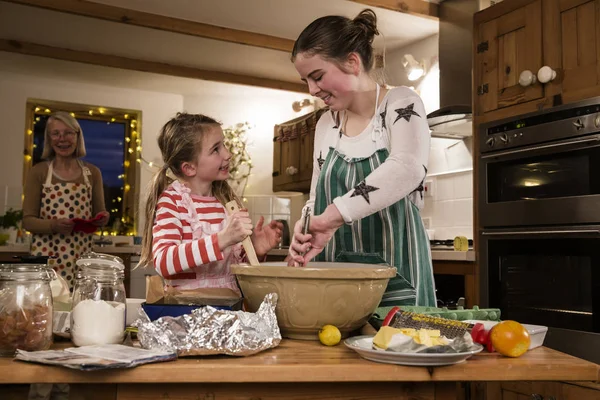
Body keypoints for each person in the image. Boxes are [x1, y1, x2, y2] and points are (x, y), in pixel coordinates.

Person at [287, 9, 436, 307]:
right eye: (306, 80)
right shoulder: (327, 123)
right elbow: (316, 194)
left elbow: (407, 167)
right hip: (335, 277)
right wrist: (305, 225)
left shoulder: (401, 103)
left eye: (317, 77)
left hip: (398, 277)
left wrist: (332, 216)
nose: (312, 90)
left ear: (352, 62)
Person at [138, 113, 282, 294]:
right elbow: (164, 262)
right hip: (188, 308)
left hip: (229, 305)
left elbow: (233, 270)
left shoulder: (226, 201)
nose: (228, 154)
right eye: (216, 149)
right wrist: (222, 239)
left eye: (224, 145)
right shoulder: (173, 201)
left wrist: (255, 249)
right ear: (189, 167)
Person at [23, 111, 110, 290]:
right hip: (47, 260)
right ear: (49, 138)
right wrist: (54, 225)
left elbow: (100, 215)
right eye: (56, 133)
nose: (62, 138)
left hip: (81, 259)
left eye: (68, 132)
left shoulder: (92, 173)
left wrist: (102, 218)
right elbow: (27, 221)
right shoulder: (39, 172)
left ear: (78, 136)